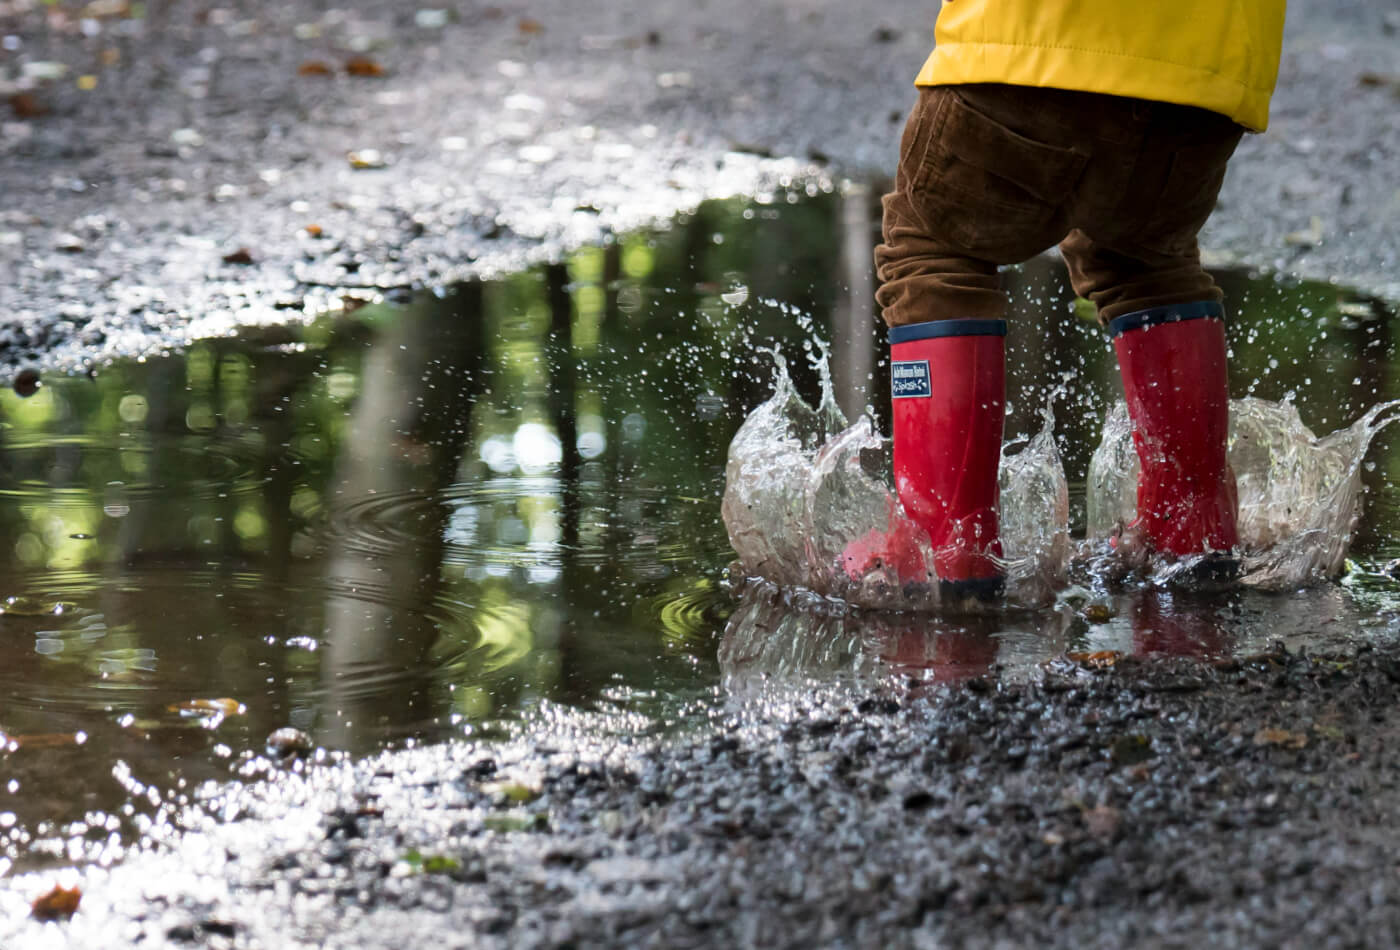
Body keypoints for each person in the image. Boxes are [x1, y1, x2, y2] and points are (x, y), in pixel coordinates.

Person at [873, 0, 1287, 599]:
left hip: (1039, 39)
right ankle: (1192, 536)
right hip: (1208, 75)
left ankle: (945, 554)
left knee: (932, 248)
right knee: (1147, 260)